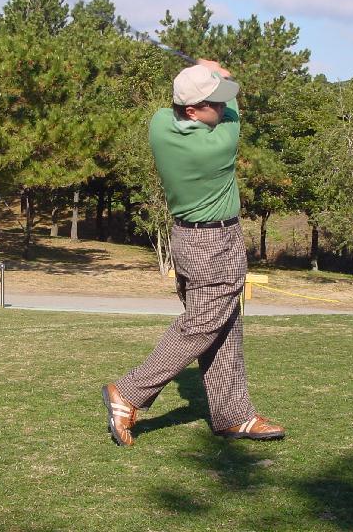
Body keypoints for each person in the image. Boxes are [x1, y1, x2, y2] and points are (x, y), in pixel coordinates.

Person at [102, 60, 284, 446]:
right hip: (215, 244)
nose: (220, 107)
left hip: (186, 240)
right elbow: (234, 110)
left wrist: (208, 77)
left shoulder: (159, 125)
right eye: (213, 104)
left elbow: (189, 105)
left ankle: (234, 414)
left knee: (223, 325)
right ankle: (128, 393)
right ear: (191, 111)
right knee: (202, 325)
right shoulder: (219, 143)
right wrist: (221, 72)